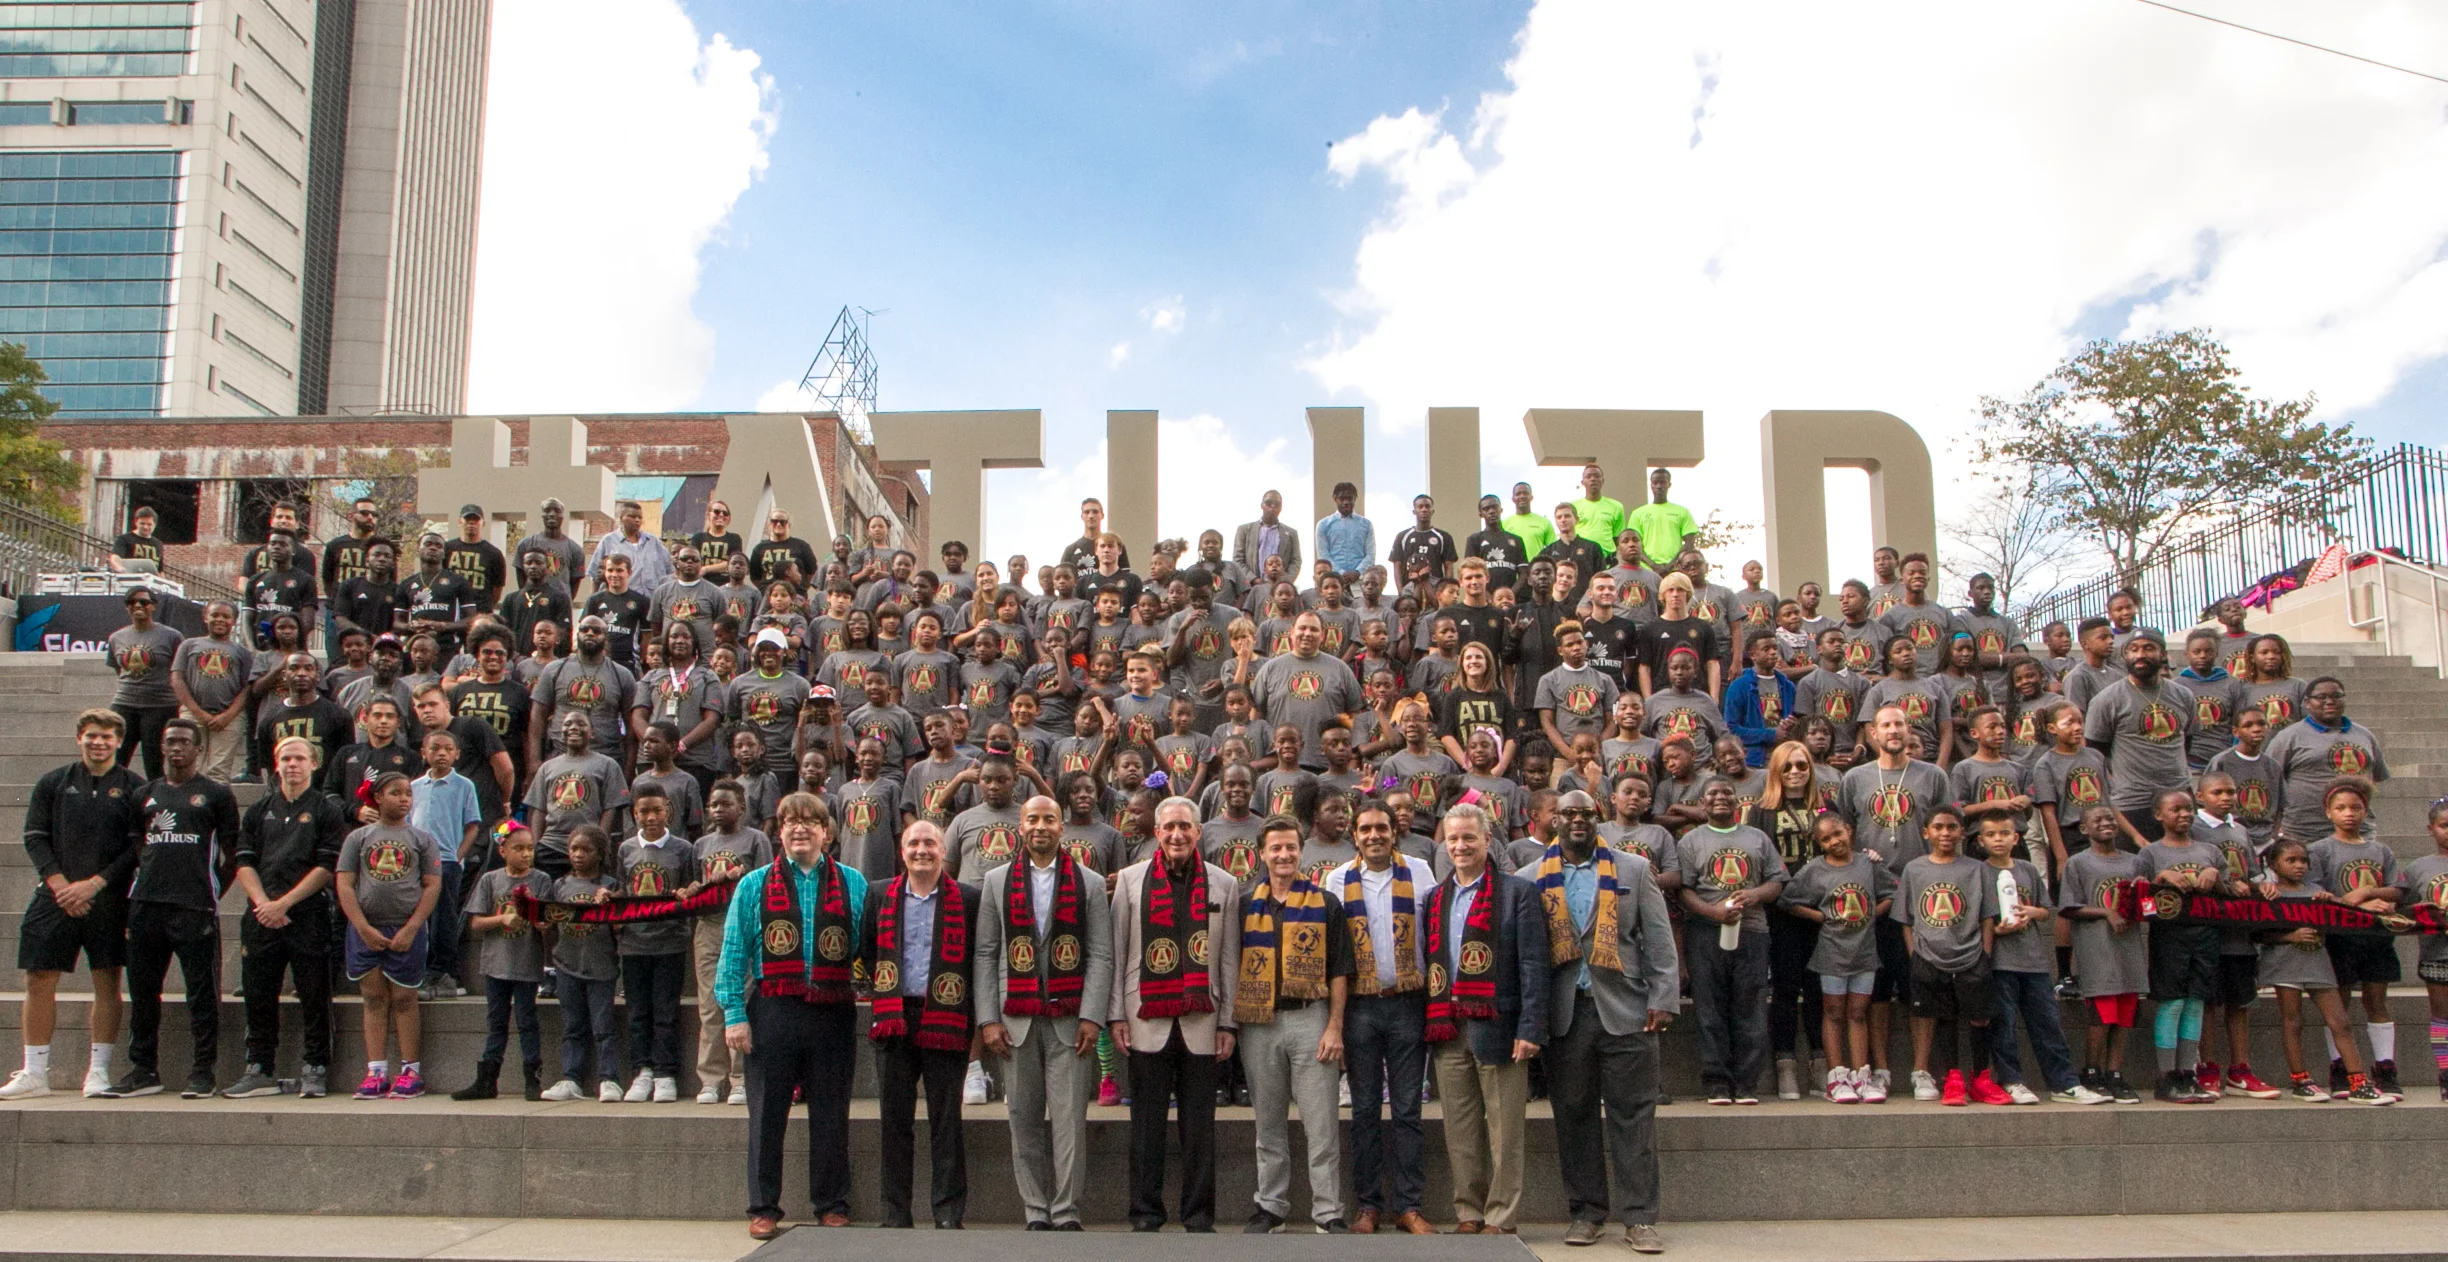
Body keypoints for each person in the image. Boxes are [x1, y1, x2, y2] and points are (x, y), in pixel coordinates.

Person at [720, 793, 872, 1239]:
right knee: (767, 1113)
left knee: (831, 1111)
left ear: (828, 832)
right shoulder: (753, 885)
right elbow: (732, 953)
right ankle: (764, 1206)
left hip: (832, 1009)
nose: (799, 828)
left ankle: (831, 1202)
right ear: (779, 831)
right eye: (790, 821)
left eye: (810, 821)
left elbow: (869, 948)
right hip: (773, 1008)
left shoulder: (854, 883)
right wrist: (733, 1013)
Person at [1536, 790, 1677, 1254]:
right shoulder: (1530, 878)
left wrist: (1663, 998)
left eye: (1585, 814)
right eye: (1568, 814)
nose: (1577, 820)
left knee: (1633, 1116)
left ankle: (1639, 1219)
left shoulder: (1632, 870)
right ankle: (1586, 1213)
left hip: (1627, 1009)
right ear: (1553, 820)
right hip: (1565, 1015)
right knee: (1573, 1117)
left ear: (1599, 818)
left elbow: (1658, 939)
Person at [976, 793, 1113, 1230]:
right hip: (1014, 1020)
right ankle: (1035, 1210)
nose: (1040, 826)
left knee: (1070, 1121)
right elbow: (984, 953)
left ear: (1062, 827)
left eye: (1049, 820)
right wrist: (988, 1019)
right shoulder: (996, 880)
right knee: (1023, 1119)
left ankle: (1066, 1209)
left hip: (1070, 1020)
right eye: (1032, 819)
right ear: (1020, 826)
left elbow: (1100, 955)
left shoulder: (1089, 882)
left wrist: (1092, 1016)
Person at [1110, 796, 1243, 1233]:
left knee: (1200, 1128)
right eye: (1168, 828)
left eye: (1185, 826)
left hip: (1204, 1020)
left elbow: (1228, 957)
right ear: (1156, 833)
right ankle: (1145, 1213)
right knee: (1145, 1126)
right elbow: (1117, 952)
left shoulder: (1224, 884)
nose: (1177, 835)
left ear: (1198, 832)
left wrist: (1227, 1022)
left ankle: (1199, 1214)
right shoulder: (1129, 881)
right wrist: (1117, 1016)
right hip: (1144, 1015)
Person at [1, 711, 145, 1101]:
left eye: (108, 737)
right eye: (92, 736)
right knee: (38, 979)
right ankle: (34, 1072)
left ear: (120, 742)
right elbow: (34, 836)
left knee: (107, 981)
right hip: (56, 894)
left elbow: (136, 847)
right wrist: (62, 885)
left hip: (109, 898)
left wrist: (95, 884)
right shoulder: (53, 782)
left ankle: (97, 1071)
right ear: (78, 738)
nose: (99, 743)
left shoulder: (135, 786)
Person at [1423, 802, 1544, 1236]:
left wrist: (1530, 1028)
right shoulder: (1436, 898)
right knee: (1460, 1129)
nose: (1460, 846)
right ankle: (1469, 1212)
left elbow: (1533, 966)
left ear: (1486, 841)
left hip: (1500, 1026)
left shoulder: (1517, 894)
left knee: (1504, 1130)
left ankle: (1501, 1215)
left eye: (1468, 838)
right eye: (1452, 838)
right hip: (1448, 1026)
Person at [1233, 816, 1352, 1234]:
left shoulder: (1325, 903)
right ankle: (1271, 1207)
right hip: (1260, 1022)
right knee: (1268, 1124)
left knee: (1321, 1125)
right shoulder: (1245, 904)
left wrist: (1335, 1027)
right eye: (1276, 848)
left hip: (1311, 1018)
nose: (1284, 855)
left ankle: (1328, 1211)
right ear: (1262, 853)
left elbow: (1340, 970)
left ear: (1301, 851)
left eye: (1291, 847)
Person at [859, 820, 979, 1229]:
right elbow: (866, 949)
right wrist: (881, 993)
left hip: (946, 1018)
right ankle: (896, 1213)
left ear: (944, 850)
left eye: (930, 842)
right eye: (913, 843)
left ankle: (947, 1212)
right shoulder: (879, 895)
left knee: (947, 1119)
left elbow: (976, 960)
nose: (921, 850)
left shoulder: (968, 898)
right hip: (894, 1019)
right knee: (895, 1120)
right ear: (902, 851)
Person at [1331, 801, 1437, 1235]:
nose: (1374, 835)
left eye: (1382, 828)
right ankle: (1369, 1206)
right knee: (1366, 1111)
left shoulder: (1421, 873)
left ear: (1395, 832)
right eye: (1365, 829)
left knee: (1409, 1110)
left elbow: (1432, 935)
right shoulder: (1337, 880)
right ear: (1354, 835)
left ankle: (1409, 1206)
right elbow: (1334, 951)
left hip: (1407, 1003)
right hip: (1360, 1007)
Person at [1975, 810, 2103, 1105]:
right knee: (2004, 1026)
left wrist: (2031, 912)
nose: (1998, 839)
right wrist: (1998, 929)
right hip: (2000, 963)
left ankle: (2064, 1084)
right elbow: (1980, 919)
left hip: (2034, 962)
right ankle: (2012, 1080)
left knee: (2048, 1024)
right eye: (1991, 834)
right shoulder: (1979, 872)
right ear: (1981, 840)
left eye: (2004, 833)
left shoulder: (2027, 870)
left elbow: (2046, 910)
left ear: (2015, 837)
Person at [1674, 777, 1786, 1105]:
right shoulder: (1690, 841)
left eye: (1727, 793)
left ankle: (1746, 1083)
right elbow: (1683, 889)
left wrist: (1753, 894)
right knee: (1710, 1009)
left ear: (1737, 801)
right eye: (1713, 793)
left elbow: (1777, 881)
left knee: (1749, 1006)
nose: (1721, 797)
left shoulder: (1757, 838)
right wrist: (1712, 912)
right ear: (1702, 803)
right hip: (1705, 933)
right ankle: (1717, 1083)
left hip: (1752, 932)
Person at [336, 770, 445, 1099]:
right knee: (373, 998)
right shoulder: (358, 838)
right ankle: (376, 1070)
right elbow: (344, 883)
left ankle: (411, 1070)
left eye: (407, 794)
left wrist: (412, 928)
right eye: (395, 793)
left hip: (406, 929)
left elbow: (432, 884)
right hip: (366, 928)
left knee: (404, 998)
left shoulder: (422, 840)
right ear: (378, 797)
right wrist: (363, 927)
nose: (403, 799)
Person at [2258, 836, 2387, 1104]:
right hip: (2286, 964)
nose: (2299, 866)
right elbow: (2257, 933)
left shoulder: (2318, 891)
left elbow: (2340, 920)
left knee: (2340, 1021)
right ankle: (2301, 1081)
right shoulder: (2268, 893)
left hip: (2318, 962)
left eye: (2303, 860)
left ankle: (2358, 1082)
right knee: (2293, 1021)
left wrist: (2331, 903)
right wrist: (2288, 937)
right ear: (2273, 863)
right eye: (2290, 860)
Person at [1779, 813, 1892, 1103]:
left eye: (1838, 834)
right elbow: (1787, 900)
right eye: (1826, 839)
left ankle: (1861, 1075)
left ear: (1849, 831)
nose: (1834, 841)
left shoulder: (1868, 863)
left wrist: (1870, 915)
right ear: (1818, 843)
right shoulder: (1814, 870)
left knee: (1857, 1012)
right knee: (1833, 1011)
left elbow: (1892, 892)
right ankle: (1836, 1076)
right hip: (1831, 952)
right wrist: (1820, 916)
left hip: (1864, 952)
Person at [2305, 778, 2405, 1099]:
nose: (2349, 814)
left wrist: (2373, 893)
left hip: (2377, 937)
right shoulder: (2319, 850)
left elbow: (2396, 890)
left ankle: (2385, 1067)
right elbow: (2317, 895)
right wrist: (2358, 902)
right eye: (2341, 808)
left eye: (2356, 808)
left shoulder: (2380, 850)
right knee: (2340, 1004)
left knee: (2377, 1001)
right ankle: (2340, 1067)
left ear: (2366, 811)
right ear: (2328, 812)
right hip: (2340, 937)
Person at [1892, 805, 1999, 1107]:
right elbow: (1907, 920)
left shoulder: (1976, 869)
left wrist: (1985, 954)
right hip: (1929, 957)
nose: (1945, 833)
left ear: (1963, 832)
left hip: (1971, 954)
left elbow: (1987, 916)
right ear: (1926, 832)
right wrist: (1916, 956)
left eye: (1952, 827)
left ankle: (1981, 1078)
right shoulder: (1915, 869)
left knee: (1980, 1017)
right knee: (1944, 1018)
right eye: (1938, 827)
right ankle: (1952, 1079)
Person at [451, 823, 552, 1101]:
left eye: (530, 849)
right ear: (503, 850)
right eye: (518, 849)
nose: (525, 854)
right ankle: (487, 1080)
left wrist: (542, 922)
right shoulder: (490, 880)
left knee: (527, 1020)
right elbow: (475, 922)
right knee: (497, 1022)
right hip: (496, 964)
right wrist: (502, 919)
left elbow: (547, 919)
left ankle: (533, 1079)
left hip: (526, 963)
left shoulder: (541, 880)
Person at [690, 781, 771, 1104]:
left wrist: (739, 873)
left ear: (741, 807)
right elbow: (693, 883)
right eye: (713, 805)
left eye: (725, 804)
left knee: (744, 998)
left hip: (745, 924)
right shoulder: (701, 844)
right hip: (709, 926)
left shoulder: (756, 839)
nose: (718, 810)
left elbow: (767, 879)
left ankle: (740, 1078)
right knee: (710, 1004)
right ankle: (711, 1078)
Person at [2058, 806, 2145, 1104]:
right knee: (2102, 1015)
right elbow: (2069, 907)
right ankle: (2091, 1070)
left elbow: (2146, 901)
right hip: (2097, 948)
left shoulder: (2135, 862)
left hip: (2129, 947)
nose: (2106, 823)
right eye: (2098, 820)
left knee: (2125, 1013)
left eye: (2110, 819)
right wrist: (2107, 912)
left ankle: (2115, 1072)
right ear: (2084, 829)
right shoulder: (2078, 863)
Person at [616, 783, 695, 1103]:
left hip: (670, 941)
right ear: (634, 813)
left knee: (665, 1010)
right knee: (637, 1012)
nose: (651, 817)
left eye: (657, 810)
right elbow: (623, 889)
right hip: (633, 943)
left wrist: (689, 892)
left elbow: (691, 886)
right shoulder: (625, 849)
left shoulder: (682, 849)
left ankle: (665, 1072)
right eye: (643, 811)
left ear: (668, 812)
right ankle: (642, 1070)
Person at [2083, 629, 2196, 845]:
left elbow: (2186, 741)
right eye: (2133, 649)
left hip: (2178, 796)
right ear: (2125, 656)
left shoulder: (2183, 695)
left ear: (2163, 654)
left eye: (2148, 648)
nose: (2140, 655)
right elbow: (2096, 751)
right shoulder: (2107, 700)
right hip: (2132, 802)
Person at [539, 827, 626, 1102]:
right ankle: (570, 1078)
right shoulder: (561, 886)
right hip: (567, 964)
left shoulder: (610, 886)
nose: (577, 855)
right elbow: (551, 925)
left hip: (600, 966)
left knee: (603, 1026)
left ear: (599, 854)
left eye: (585, 850)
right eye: (574, 849)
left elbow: (620, 927)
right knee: (572, 1026)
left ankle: (609, 1079)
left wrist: (610, 906)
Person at [2266, 676, 2389, 845]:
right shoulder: (2289, 737)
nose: (2330, 701)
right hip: (2304, 832)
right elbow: (2270, 779)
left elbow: (2375, 778)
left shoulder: (2364, 735)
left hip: (2358, 832)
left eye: (2336, 696)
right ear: (2307, 703)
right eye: (2321, 697)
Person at [107, 586, 184, 780]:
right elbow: (120, 669)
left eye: (144, 602)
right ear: (127, 608)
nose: (138, 606)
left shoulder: (172, 636)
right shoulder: (116, 638)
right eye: (132, 602)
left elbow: (180, 670)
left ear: (153, 607)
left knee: (154, 762)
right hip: (125, 704)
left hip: (160, 705)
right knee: (115, 759)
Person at [170, 601, 252, 781]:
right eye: (215, 615)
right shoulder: (189, 645)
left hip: (229, 717)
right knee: (191, 766)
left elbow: (247, 688)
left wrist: (228, 715)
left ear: (234, 621)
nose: (220, 619)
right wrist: (198, 713)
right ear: (205, 617)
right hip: (192, 713)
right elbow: (177, 679)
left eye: (226, 616)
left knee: (218, 772)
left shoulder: (242, 652)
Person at [2402, 801, 2448, 1102]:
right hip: (2437, 953)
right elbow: (2405, 907)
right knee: (2443, 1017)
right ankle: (2445, 1074)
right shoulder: (2419, 867)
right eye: (2444, 826)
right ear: (2431, 829)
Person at [1624, 468, 1696, 571]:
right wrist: (1653, 565)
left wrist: (1672, 564)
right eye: (1655, 483)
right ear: (1651, 485)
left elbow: (1689, 543)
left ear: (1669, 484)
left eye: (1663, 482)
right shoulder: (1638, 513)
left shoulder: (1682, 512)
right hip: (1646, 570)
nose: (1659, 486)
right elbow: (1633, 544)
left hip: (1675, 569)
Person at [443, 504, 509, 612]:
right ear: (460, 522)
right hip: (451, 608)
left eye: (476, 519)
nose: (471, 523)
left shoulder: (494, 553)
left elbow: (497, 589)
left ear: (483, 523)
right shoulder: (447, 548)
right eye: (468, 519)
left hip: (480, 610)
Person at [1232, 490, 1301, 581]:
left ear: (1281, 507)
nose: (1273, 506)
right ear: (1262, 505)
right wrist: (1253, 579)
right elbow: (1238, 560)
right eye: (1269, 503)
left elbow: (1296, 561)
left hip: (1279, 590)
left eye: (1277, 504)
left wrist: (1284, 582)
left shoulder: (1291, 533)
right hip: (1251, 588)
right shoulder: (1244, 530)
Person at [1314, 480, 1375, 578]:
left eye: (1350, 498)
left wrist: (1357, 572)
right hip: (1334, 580)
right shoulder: (1323, 525)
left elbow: (1370, 555)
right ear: (1335, 499)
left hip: (1360, 580)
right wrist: (1340, 573)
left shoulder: (1366, 524)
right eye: (1342, 499)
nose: (1346, 502)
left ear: (1355, 499)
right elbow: (1323, 555)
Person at [110, 504, 165, 572]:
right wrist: (118, 567)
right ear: (136, 522)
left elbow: (160, 570)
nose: (145, 527)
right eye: (142, 523)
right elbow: (116, 557)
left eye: (149, 524)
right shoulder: (123, 539)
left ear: (155, 525)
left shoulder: (158, 544)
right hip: (130, 580)